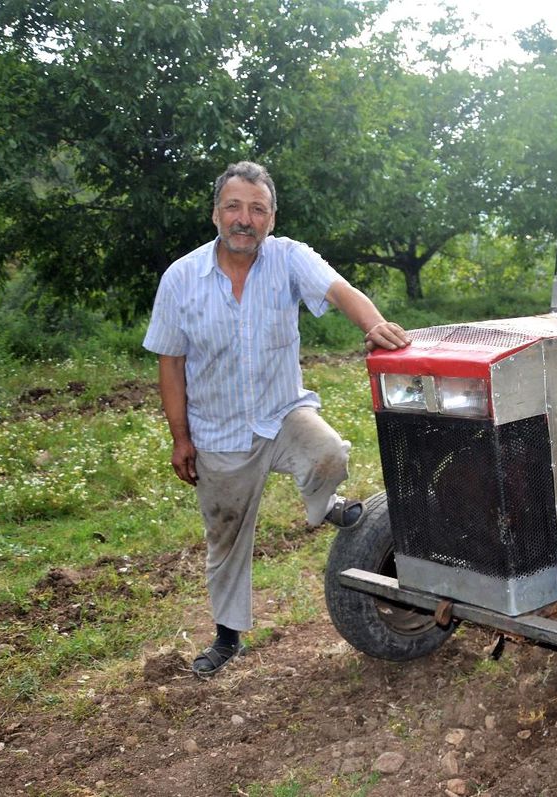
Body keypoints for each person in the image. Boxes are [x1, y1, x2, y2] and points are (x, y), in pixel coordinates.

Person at [143, 161, 409, 678]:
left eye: (257, 209)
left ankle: (324, 504)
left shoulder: (289, 258)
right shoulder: (181, 278)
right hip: (218, 431)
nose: (245, 219)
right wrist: (181, 438)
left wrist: (375, 326)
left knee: (328, 452)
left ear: (271, 216)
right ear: (216, 212)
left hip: (283, 414)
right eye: (234, 207)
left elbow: (339, 291)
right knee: (225, 540)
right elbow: (170, 363)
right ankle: (227, 637)